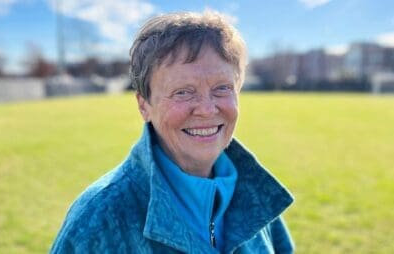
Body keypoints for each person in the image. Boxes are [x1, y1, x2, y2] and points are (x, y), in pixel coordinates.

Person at [51, 11, 294, 253]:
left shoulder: (257, 195)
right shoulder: (98, 220)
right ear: (144, 105)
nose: (207, 110)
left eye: (222, 88)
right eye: (183, 92)